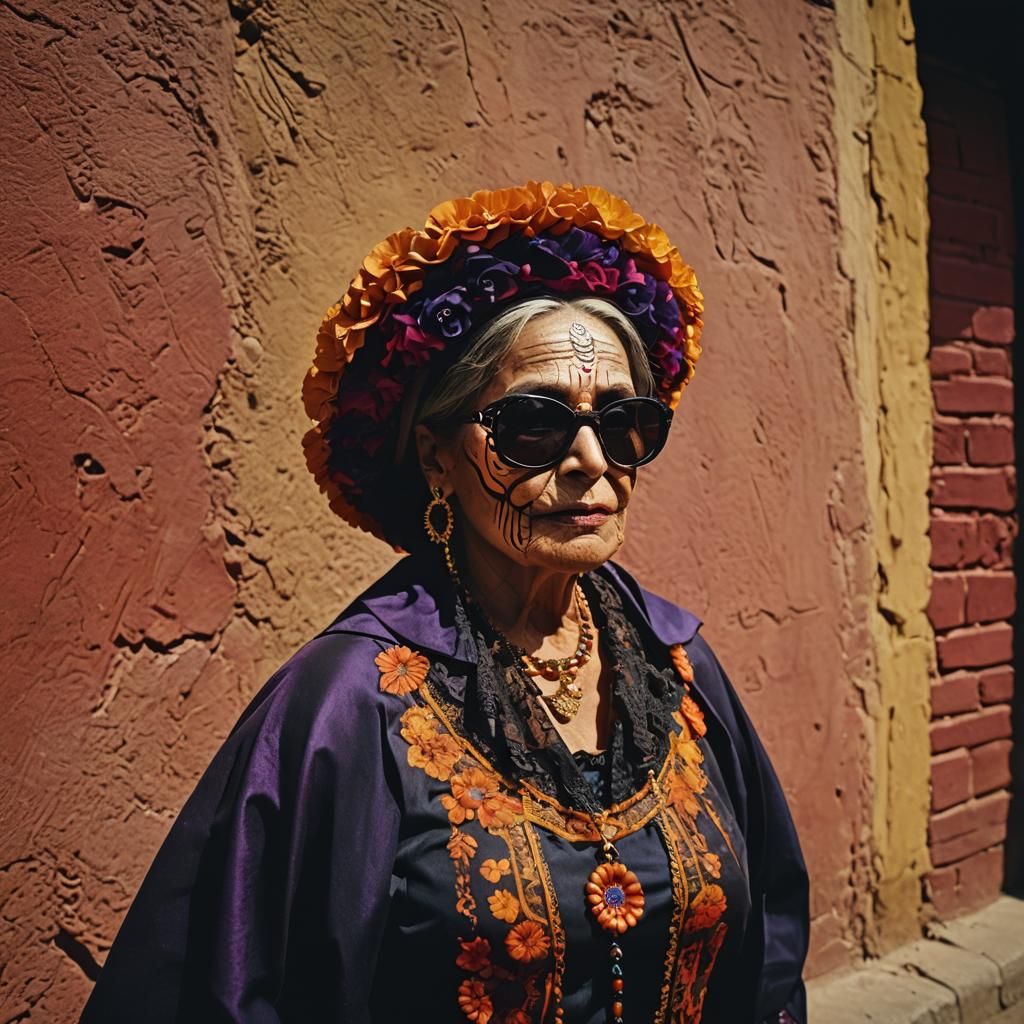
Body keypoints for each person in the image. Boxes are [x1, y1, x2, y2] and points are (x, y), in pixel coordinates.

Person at [81, 181, 808, 1024]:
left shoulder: (678, 670)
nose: (589, 460)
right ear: (436, 455)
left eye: (623, 422)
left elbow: (769, 960)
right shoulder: (349, 703)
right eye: (533, 424)